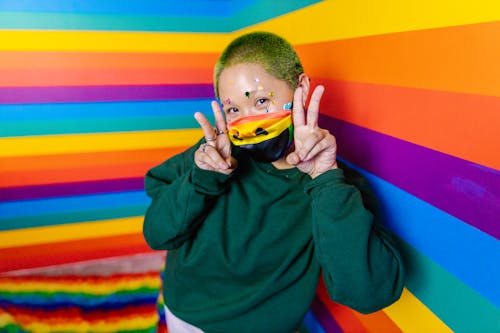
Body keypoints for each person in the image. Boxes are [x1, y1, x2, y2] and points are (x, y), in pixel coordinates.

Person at [143, 31, 404, 333]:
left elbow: (368, 294)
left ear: (300, 90)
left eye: (262, 101)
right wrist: (201, 179)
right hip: (185, 312)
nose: (249, 122)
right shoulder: (212, 154)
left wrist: (324, 180)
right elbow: (157, 234)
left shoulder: (335, 186)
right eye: (233, 110)